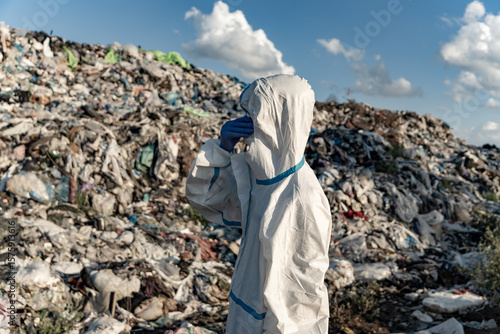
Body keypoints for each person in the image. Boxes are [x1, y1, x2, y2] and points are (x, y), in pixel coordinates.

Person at [186, 74, 331, 333]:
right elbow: (207, 200)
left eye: (256, 114)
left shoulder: (299, 197)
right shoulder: (263, 179)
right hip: (246, 313)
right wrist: (222, 148)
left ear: (278, 118)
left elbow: (295, 310)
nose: (250, 123)